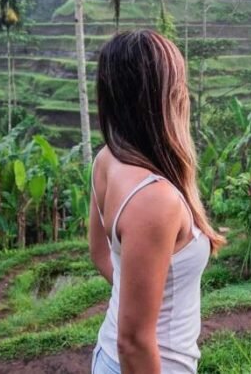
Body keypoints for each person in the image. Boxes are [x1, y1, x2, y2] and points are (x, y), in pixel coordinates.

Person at [89, 30, 226, 373]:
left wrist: (140, 299)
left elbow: (100, 252)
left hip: (109, 359)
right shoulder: (154, 200)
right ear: (158, 98)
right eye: (178, 83)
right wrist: (140, 315)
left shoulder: (107, 159)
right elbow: (133, 341)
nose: (185, 93)